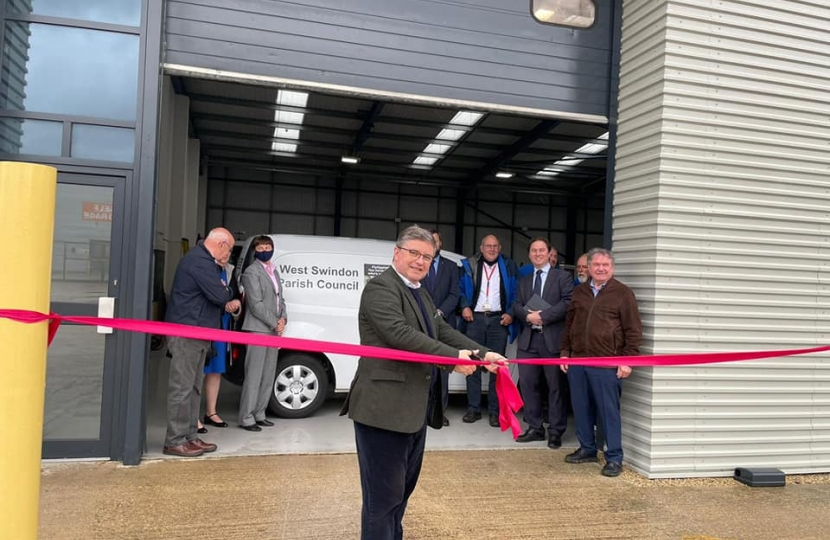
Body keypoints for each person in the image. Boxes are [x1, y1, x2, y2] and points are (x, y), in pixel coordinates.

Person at [341, 225, 506, 540]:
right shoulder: (381, 288)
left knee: (400, 495)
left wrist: (485, 355)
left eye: (427, 257)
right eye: (414, 253)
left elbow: (441, 330)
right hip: (383, 411)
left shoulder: (419, 291)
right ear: (397, 253)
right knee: (382, 500)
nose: (420, 261)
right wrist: (452, 359)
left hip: (413, 411)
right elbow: (400, 335)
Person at [560, 247, 642, 477]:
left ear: (612, 268)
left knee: (608, 412)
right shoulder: (580, 292)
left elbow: (633, 331)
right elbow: (570, 324)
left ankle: (614, 457)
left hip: (607, 364)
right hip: (578, 361)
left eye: (606, 265)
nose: (601, 269)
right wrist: (565, 352)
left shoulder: (623, 294)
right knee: (581, 408)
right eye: (596, 265)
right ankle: (587, 449)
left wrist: (627, 361)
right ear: (589, 267)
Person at [164, 228, 239, 457]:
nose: (229, 254)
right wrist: (226, 291)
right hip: (187, 334)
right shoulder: (200, 262)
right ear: (222, 244)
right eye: (230, 249)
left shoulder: (204, 261)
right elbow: (221, 296)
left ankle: (189, 437)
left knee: (193, 388)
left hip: (198, 334)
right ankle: (174, 440)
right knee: (182, 389)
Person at [512, 238, 573, 448]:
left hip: (552, 340)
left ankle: (556, 431)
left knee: (556, 388)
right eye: (533, 251)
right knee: (529, 386)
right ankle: (535, 428)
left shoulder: (563, 277)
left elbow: (567, 302)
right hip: (528, 341)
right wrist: (527, 317)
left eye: (542, 250)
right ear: (529, 254)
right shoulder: (524, 280)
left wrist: (544, 316)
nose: (538, 254)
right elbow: (516, 305)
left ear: (549, 253)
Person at [458, 234, 518, 426]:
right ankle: (473, 409)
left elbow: (517, 292)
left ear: (499, 248)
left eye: (495, 246)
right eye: (488, 246)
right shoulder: (469, 265)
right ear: (481, 248)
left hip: (498, 321)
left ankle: (494, 411)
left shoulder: (509, 266)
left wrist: (510, 313)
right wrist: (464, 306)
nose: (492, 249)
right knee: (473, 364)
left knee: (497, 367)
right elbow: (458, 290)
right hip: (474, 319)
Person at [238, 235, 287, 431]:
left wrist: (283, 318)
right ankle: (246, 417)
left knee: (267, 375)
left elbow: (280, 300)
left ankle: (260, 413)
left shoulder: (274, 272)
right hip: (258, 329)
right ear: (255, 251)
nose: (265, 250)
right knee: (254, 376)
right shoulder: (251, 273)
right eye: (261, 247)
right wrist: (275, 322)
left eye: (268, 246)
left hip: (274, 330)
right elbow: (256, 305)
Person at [423, 229, 462, 426]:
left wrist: (439, 312)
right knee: (422, 369)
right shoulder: (419, 263)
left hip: (444, 323)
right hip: (420, 324)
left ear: (441, 244)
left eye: (436, 241)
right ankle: (422, 410)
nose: (433, 244)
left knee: (443, 370)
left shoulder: (452, 267)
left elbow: (455, 294)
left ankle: (440, 411)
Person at [199, 252, 240, 433]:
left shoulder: (230, 271)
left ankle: (211, 412)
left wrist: (235, 304)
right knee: (197, 371)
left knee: (215, 370)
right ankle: (192, 417)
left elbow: (236, 295)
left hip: (222, 325)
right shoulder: (203, 269)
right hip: (203, 324)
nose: (226, 255)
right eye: (222, 250)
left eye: (229, 251)